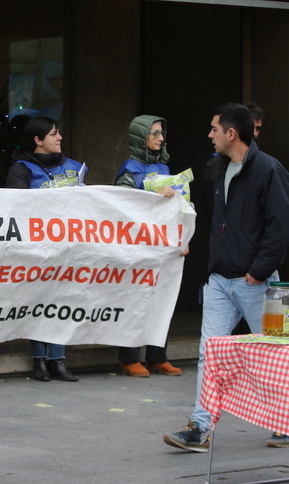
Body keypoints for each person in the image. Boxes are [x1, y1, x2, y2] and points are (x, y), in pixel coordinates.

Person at [162, 103, 289, 452]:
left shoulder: (269, 170)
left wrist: (258, 272)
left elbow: (280, 227)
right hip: (220, 279)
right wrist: (170, 199)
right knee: (210, 353)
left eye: (214, 129)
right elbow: (205, 214)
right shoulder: (214, 167)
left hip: (259, 282)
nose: (209, 135)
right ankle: (200, 427)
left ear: (231, 133)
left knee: (274, 354)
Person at [6, 116, 82, 382]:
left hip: (67, 247)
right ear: (38, 141)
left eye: (59, 132)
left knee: (61, 303)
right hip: (36, 248)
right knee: (39, 303)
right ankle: (40, 360)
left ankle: (58, 360)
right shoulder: (21, 169)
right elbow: (18, 209)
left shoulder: (74, 167)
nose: (59, 138)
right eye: (53, 134)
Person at [114, 114, 184, 378]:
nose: (160, 138)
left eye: (161, 133)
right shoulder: (128, 170)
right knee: (134, 302)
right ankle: (129, 357)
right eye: (154, 133)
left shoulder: (165, 169)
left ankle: (157, 355)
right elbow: (122, 208)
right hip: (136, 246)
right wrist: (152, 197)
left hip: (162, 246)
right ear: (140, 138)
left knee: (160, 301)